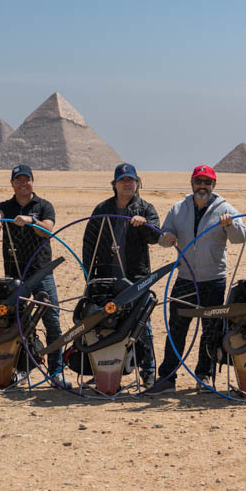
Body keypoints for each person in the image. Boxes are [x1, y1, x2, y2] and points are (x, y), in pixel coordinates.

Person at [145, 165, 246, 394]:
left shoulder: (226, 209)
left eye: (207, 182)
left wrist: (230, 224)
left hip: (213, 280)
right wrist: (167, 237)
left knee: (210, 330)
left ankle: (204, 376)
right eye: (198, 182)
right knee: (176, 329)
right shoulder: (178, 209)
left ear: (214, 185)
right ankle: (168, 378)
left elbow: (240, 237)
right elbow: (163, 237)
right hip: (185, 278)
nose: (202, 186)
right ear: (192, 183)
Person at [0, 164, 71, 388]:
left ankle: (56, 372)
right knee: (17, 324)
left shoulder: (44, 206)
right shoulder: (5, 206)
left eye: (27, 180)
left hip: (41, 272)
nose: (23, 184)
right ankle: (22, 370)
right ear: (12, 183)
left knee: (52, 321)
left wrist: (31, 220)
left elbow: (48, 230)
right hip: (15, 276)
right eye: (18, 180)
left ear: (33, 181)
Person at [81, 163, 161, 386]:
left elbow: (155, 237)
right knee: (105, 324)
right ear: (114, 184)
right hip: (106, 278)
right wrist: (90, 275)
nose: (127, 184)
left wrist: (144, 225)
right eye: (123, 180)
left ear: (137, 183)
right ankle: (104, 370)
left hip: (136, 278)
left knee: (142, 323)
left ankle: (148, 371)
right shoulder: (102, 209)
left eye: (131, 180)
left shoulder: (145, 208)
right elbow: (89, 243)